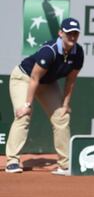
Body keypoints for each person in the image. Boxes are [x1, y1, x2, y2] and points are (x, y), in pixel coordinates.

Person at [5, 17, 84, 175]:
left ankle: (65, 164)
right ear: (60, 33)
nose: (72, 37)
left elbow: (71, 81)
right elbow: (34, 77)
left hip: (47, 83)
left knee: (62, 117)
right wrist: (27, 105)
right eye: (69, 33)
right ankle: (12, 161)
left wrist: (65, 104)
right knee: (23, 115)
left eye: (75, 34)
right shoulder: (50, 50)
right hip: (25, 78)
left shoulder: (78, 53)